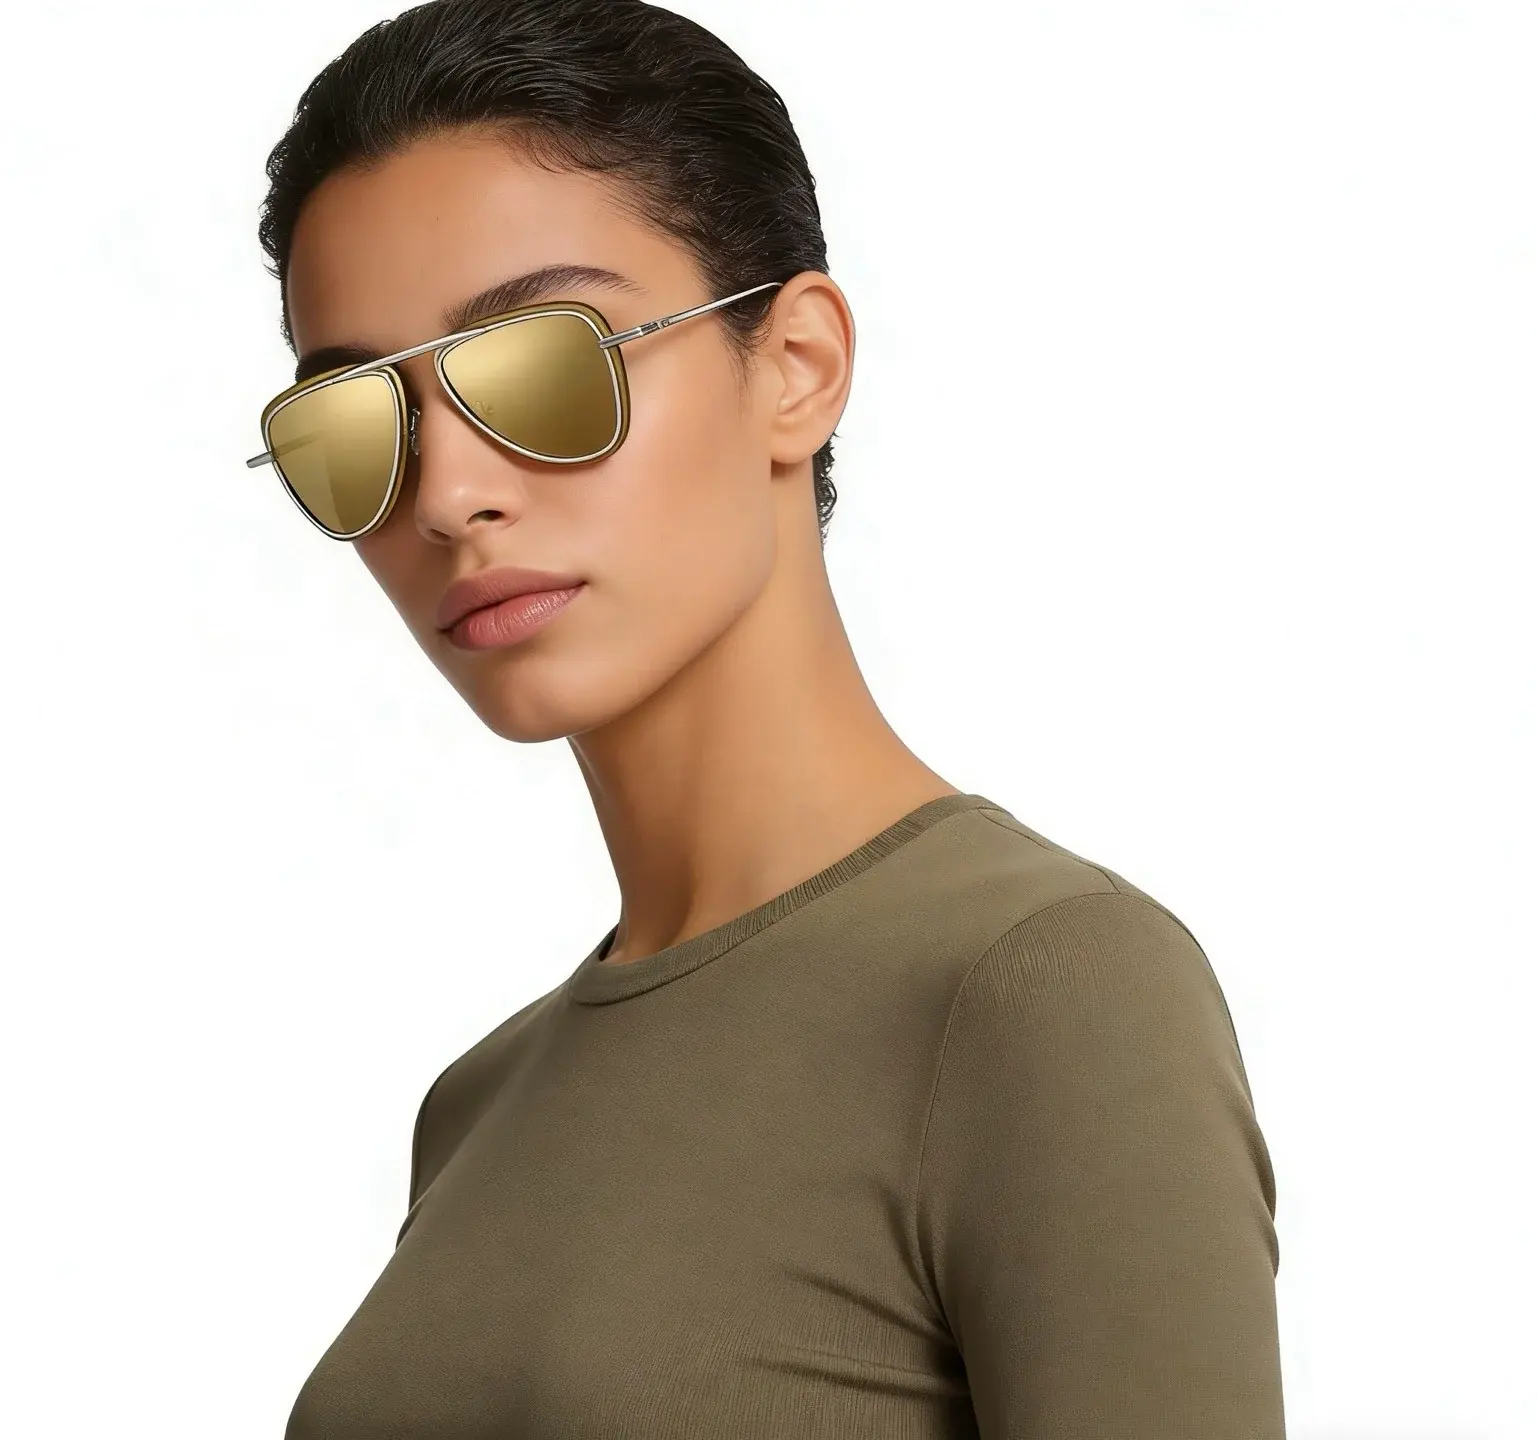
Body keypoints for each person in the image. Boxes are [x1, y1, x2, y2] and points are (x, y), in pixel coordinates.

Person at [247, 1, 1286, 1434]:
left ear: (796, 367)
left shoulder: (1043, 991)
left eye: (546, 367)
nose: (446, 495)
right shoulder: (476, 1107)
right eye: (360, 422)